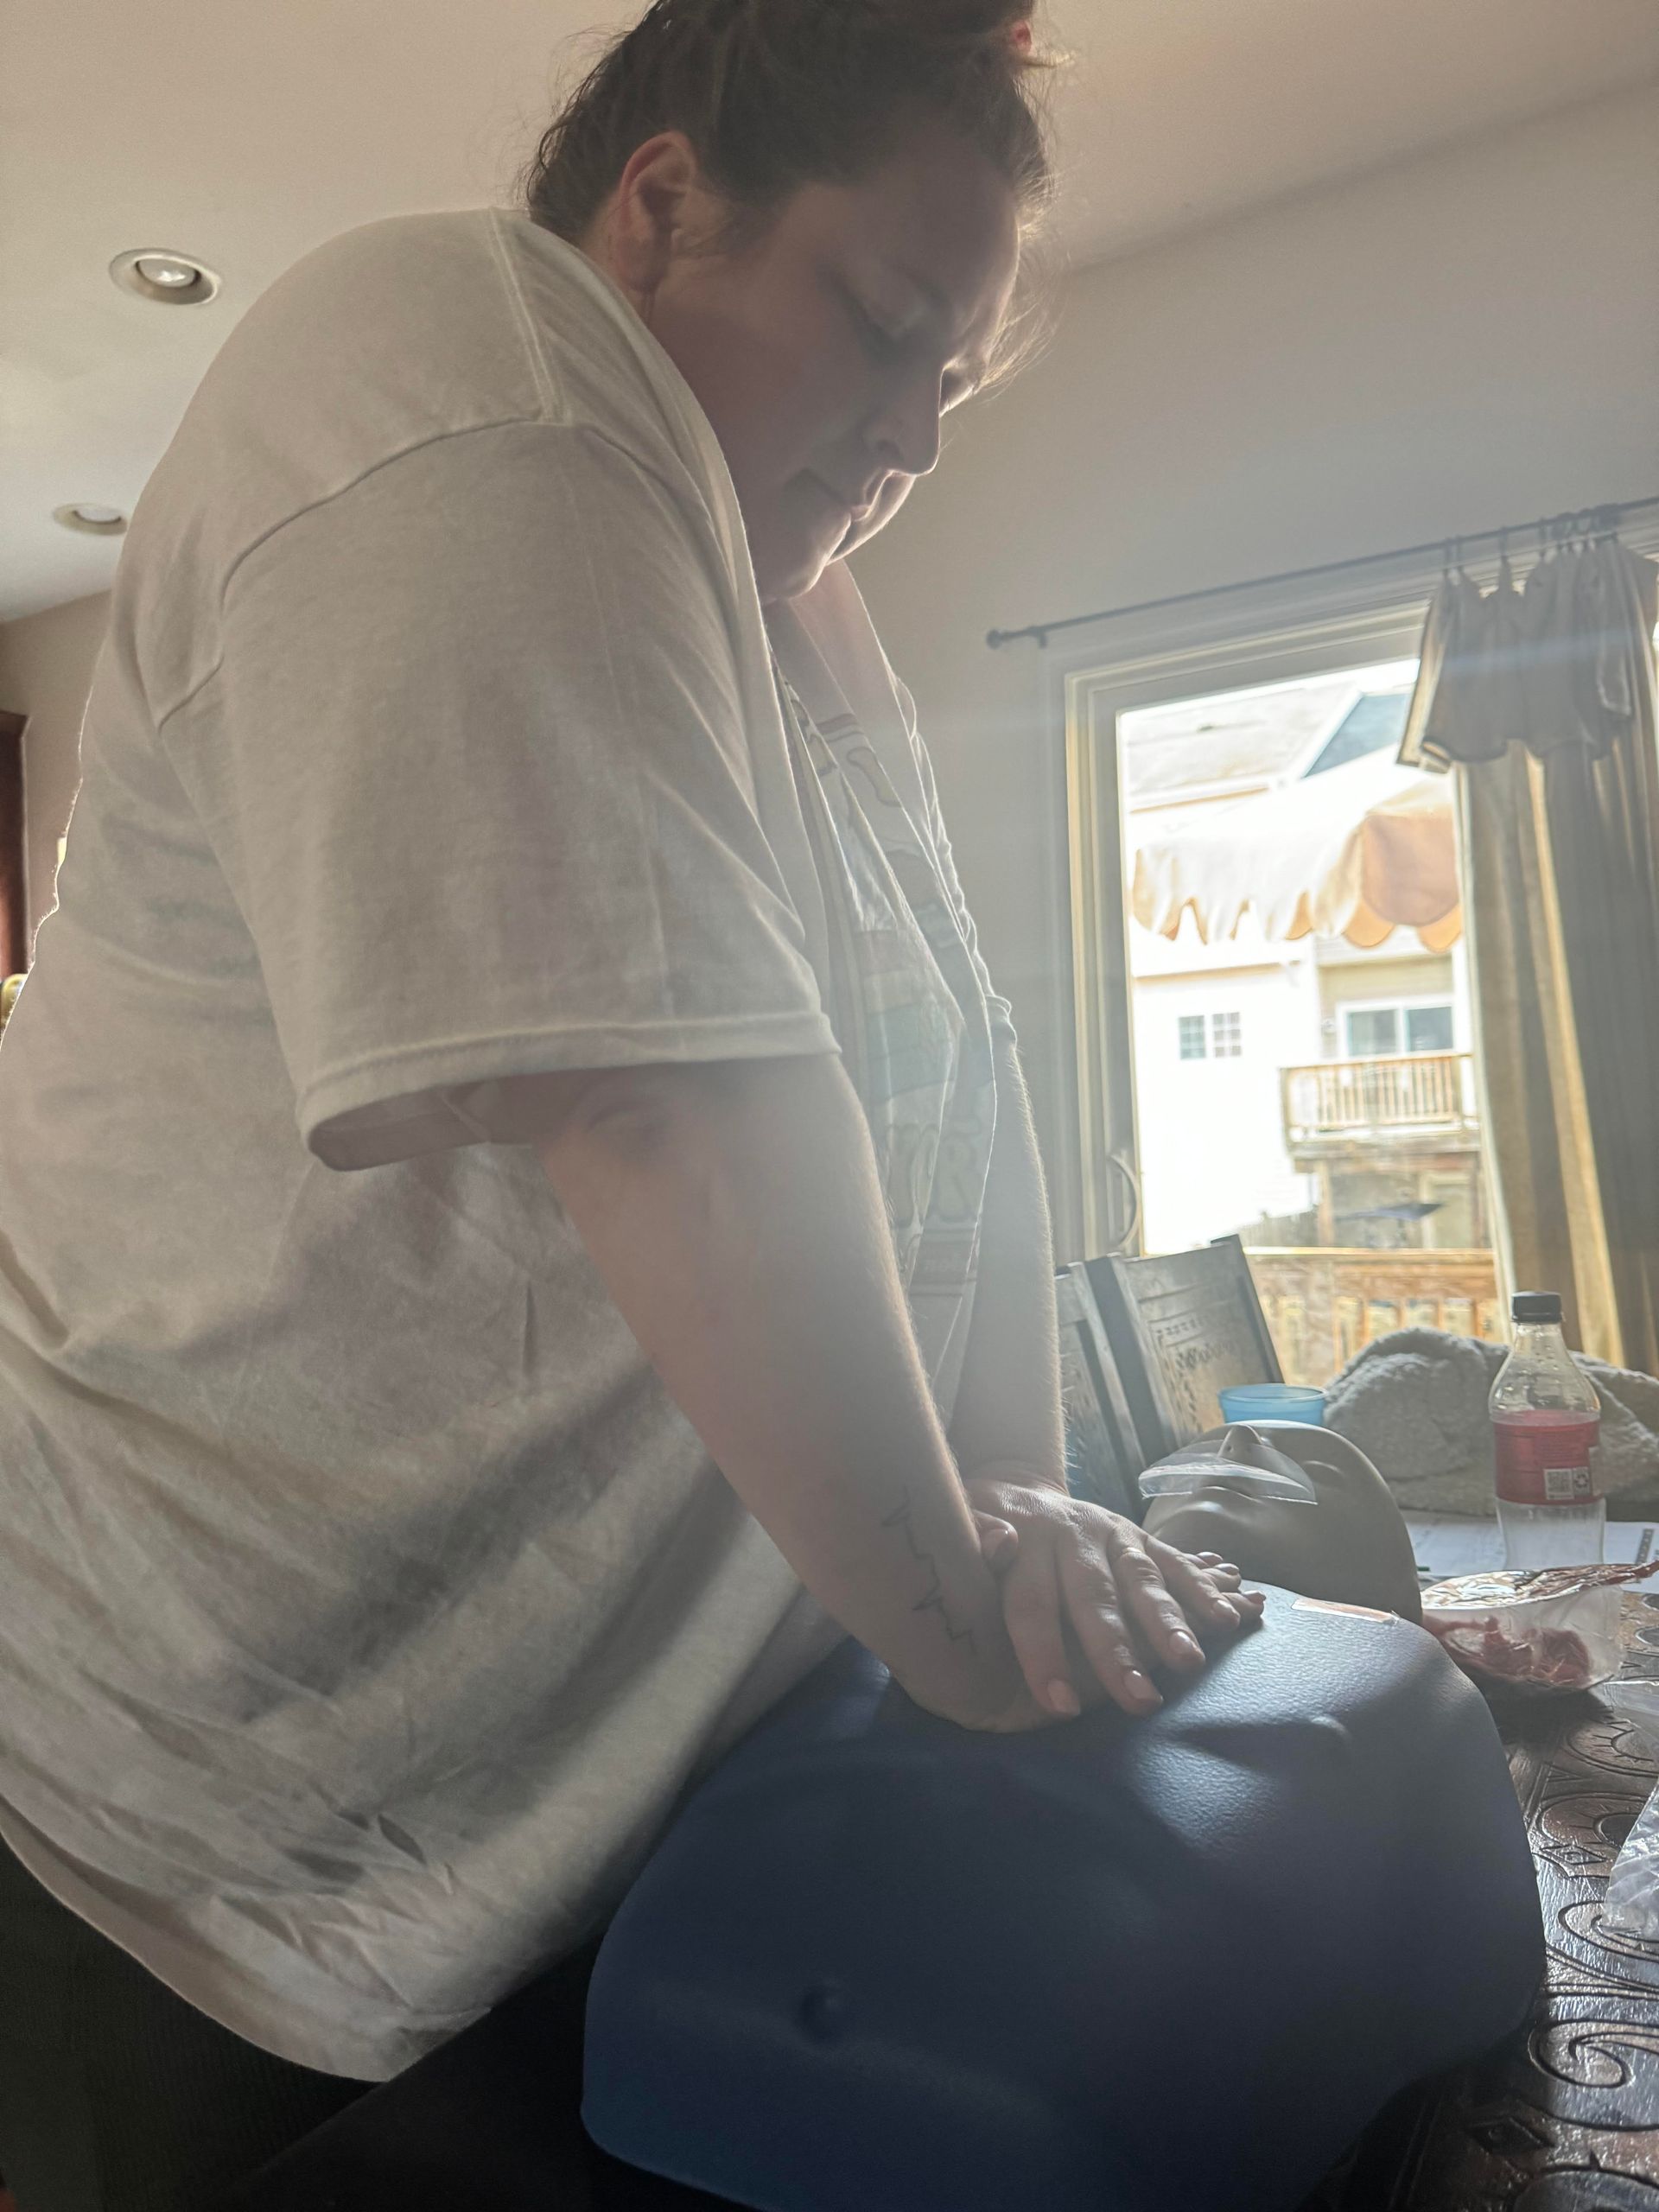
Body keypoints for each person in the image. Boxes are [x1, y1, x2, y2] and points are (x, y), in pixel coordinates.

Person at [0, 2, 1262, 2201]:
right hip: (223, 1848)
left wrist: (1014, 1504)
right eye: (881, 326)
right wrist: (962, 1627)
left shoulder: (812, 632)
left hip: (615, 1850)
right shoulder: (462, 348)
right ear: (663, 202)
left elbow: (955, 1088)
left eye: (949, 380)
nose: (914, 433)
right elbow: (668, 1118)